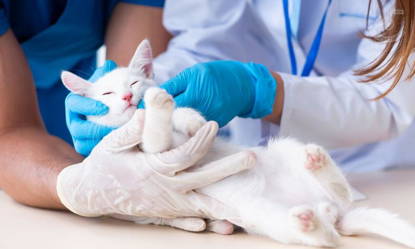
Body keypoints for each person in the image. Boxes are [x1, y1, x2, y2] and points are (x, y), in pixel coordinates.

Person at [69, 0, 415, 173]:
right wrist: (144, 89)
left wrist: (259, 91)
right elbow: (203, 42)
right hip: (260, 166)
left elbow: (386, 101)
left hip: (383, 170)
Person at [0, 0, 253, 230]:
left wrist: (138, 176)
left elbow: (134, 108)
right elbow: (9, 132)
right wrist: (84, 186)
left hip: (82, 85)